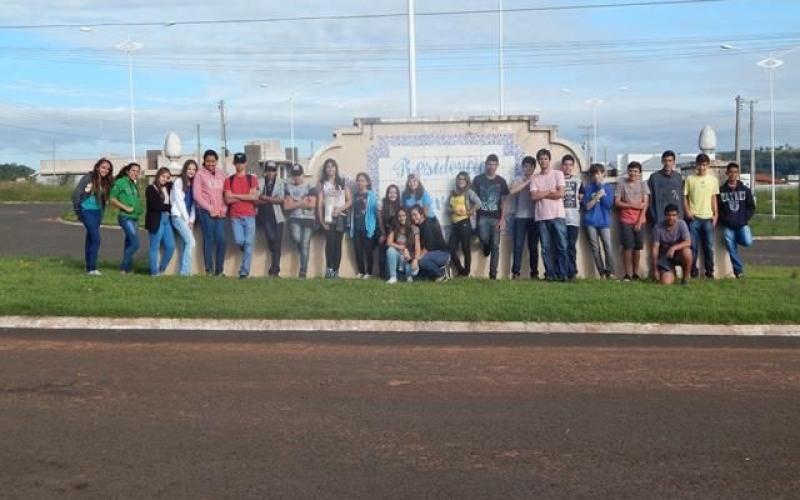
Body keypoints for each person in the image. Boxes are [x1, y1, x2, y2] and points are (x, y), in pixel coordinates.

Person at [530, 148, 568, 281]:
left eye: (545, 158)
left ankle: (563, 274)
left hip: (557, 215)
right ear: (538, 161)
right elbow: (534, 196)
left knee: (562, 246)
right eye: (541, 159)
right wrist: (549, 191)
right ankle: (550, 274)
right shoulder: (535, 178)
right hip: (541, 217)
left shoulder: (558, 174)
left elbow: (560, 194)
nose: (543, 161)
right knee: (545, 248)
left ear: (549, 160)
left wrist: (542, 193)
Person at [72, 158, 113, 275]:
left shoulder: (106, 181)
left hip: (98, 212)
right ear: (97, 167)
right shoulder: (88, 177)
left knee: (90, 238)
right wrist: (77, 210)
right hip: (86, 210)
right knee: (96, 238)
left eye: (108, 169)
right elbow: (77, 193)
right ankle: (93, 268)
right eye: (103, 167)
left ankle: (88, 267)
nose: (105, 170)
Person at [472, 154, 510, 280]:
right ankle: (486, 246)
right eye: (489, 164)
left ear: (497, 166)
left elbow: (504, 201)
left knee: (495, 245)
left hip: (496, 217)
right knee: (483, 238)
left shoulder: (501, 181)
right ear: (486, 165)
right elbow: (473, 200)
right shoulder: (478, 180)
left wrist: (503, 219)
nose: (491, 167)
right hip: (482, 216)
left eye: (494, 164)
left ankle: (493, 274)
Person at [224, 152, 259, 279]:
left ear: (246, 163)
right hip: (235, 216)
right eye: (237, 162)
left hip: (249, 215)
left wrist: (235, 195)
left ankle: (244, 271)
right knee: (240, 241)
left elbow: (254, 196)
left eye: (242, 162)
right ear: (234, 164)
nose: (240, 165)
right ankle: (247, 256)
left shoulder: (252, 179)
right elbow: (227, 200)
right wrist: (246, 197)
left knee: (249, 243)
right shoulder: (229, 180)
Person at [718, 162, 756, 279]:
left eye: (735, 172)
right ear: (727, 173)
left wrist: (744, 218)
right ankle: (738, 271)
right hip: (728, 226)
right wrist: (725, 220)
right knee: (732, 249)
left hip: (741, 224)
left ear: (738, 174)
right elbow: (718, 208)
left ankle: (737, 238)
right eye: (731, 172)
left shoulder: (745, 190)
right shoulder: (722, 191)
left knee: (748, 241)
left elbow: (751, 207)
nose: (733, 174)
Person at [684, 153, 719, 279]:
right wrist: (687, 211)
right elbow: (685, 197)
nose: (702, 167)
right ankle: (693, 271)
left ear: (708, 165)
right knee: (693, 247)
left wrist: (716, 215)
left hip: (708, 218)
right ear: (696, 165)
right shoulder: (689, 179)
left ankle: (709, 272)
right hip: (694, 218)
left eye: (704, 165)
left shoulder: (713, 180)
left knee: (708, 247)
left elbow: (713, 198)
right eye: (700, 165)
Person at [193, 149, 227, 276]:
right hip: (205, 211)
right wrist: (210, 209)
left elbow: (226, 193)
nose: (210, 164)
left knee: (222, 239)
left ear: (217, 161)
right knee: (209, 238)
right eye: (208, 161)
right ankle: (209, 270)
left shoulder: (222, 174)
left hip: (219, 212)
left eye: (213, 161)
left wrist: (223, 209)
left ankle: (219, 270)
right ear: (204, 161)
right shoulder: (199, 174)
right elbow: (197, 195)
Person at [614, 161, 650, 281]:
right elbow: (617, 202)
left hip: (640, 220)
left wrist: (639, 221)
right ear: (627, 171)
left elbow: (645, 204)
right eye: (631, 171)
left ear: (639, 173)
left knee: (637, 248)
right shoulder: (621, 184)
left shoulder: (643, 184)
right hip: (626, 220)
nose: (633, 173)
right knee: (627, 247)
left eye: (635, 171)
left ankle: (635, 273)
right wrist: (633, 205)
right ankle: (627, 274)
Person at [317, 158, 352, 278]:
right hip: (328, 218)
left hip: (340, 218)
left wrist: (339, 210)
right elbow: (320, 204)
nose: (330, 169)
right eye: (328, 167)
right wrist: (321, 220)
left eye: (332, 166)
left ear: (336, 168)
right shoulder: (322, 184)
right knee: (330, 243)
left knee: (338, 244)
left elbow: (349, 201)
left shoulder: (342, 183)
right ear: (325, 170)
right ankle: (329, 268)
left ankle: (336, 270)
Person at [582, 163, 616, 279]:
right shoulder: (588, 187)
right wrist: (596, 197)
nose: (597, 176)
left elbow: (608, 205)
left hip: (604, 222)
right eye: (595, 173)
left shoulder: (608, 188)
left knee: (608, 247)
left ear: (603, 174)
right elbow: (586, 206)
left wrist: (602, 190)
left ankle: (610, 272)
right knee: (595, 248)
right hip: (590, 221)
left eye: (599, 173)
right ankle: (601, 273)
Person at [109, 162, 143, 275]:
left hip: (135, 217)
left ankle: (127, 268)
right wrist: (125, 208)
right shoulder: (120, 182)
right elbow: (112, 198)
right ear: (127, 171)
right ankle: (123, 268)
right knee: (135, 244)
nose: (135, 173)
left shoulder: (133, 184)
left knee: (129, 243)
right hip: (125, 217)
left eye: (138, 171)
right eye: (133, 170)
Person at [284, 164, 317, 278]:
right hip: (294, 218)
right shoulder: (288, 187)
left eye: (298, 175)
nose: (296, 177)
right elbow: (287, 206)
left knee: (304, 245)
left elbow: (312, 204)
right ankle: (304, 253)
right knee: (297, 238)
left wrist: (295, 202)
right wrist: (303, 202)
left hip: (308, 218)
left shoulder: (310, 186)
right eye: (294, 175)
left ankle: (303, 271)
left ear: (303, 174)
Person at [447, 171, 481, 277]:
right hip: (455, 224)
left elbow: (479, 203)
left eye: (463, 179)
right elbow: (448, 208)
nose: (461, 181)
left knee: (465, 247)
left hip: (465, 222)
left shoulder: (469, 192)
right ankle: (461, 271)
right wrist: (453, 211)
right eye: (459, 179)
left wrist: (470, 212)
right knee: (450, 249)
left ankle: (466, 272)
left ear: (466, 181)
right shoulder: (453, 193)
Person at [508, 157, 538, 279]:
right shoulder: (518, 179)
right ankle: (516, 273)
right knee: (518, 246)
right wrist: (527, 182)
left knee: (533, 247)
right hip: (520, 217)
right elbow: (512, 191)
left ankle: (534, 273)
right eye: (526, 166)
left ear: (534, 168)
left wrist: (533, 181)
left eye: (531, 166)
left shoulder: (538, 179)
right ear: (523, 167)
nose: (528, 168)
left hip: (535, 217)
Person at [255, 161, 285, 278]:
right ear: (265, 172)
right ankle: (275, 267)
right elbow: (255, 200)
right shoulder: (260, 182)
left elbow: (280, 199)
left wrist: (265, 197)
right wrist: (272, 199)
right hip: (264, 217)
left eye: (273, 170)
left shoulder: (280, 182)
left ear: (276, 172)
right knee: (272, 239)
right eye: (268, 170)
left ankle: (274, 271)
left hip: (278, 218)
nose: (270, 173)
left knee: (277, 244)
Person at [145, 167, 176, 276]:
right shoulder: (151, 188)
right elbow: (153, 206)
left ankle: (161, 269)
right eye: (163, 176)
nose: (164, 179)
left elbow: (176, 186)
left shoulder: (167, 187)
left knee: (171, 246)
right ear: (158, 175)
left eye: (167, 177)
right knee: (155, 247)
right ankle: (154, 272)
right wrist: (168, 207)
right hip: (156, 220)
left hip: (166, 220)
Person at [652, 204, 692, 285]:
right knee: (666, 283)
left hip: (678, 255)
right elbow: (655, 249)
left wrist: (674, 248)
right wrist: (655, 270)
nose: (671, 218)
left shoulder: (681, 224)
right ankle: (672, 274)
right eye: (668, 215)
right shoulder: (658, 227)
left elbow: (688, 242)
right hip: (665, 258)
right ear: (664, 215)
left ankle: (685, 280)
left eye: (674, 215)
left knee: (687, 252)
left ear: (677, 216)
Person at [409, 205, 451, 282]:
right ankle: (431, 274)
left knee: (421, 261)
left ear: (421, 214)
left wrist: (416, 259)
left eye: (415, 215)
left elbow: (428, 248)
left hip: (442, 254)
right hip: (434, 254)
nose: (413, 217)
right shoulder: (420, 225)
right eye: (411, 215)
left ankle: (441, 274)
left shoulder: (427, 225)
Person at [350, 172, 379, 278]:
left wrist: (372, 229)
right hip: (357, 227)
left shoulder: (371, 195)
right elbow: (353, 212)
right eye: (359, 180)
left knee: (368, 251)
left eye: (363, 180)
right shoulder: (356, 195)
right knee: (358, 251)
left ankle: (369, 273)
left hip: (368, 228)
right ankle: (361, 272)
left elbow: (373, 213)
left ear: (367, 182)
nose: (360, 183)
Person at [171, 159, 197, 276]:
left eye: (194, 169)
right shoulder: (179, 182)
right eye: (189, 169)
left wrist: (191, 220)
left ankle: (184, 271)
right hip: (178, 217)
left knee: (185, 244)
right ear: (185, 169)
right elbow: (179, 202)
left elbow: (193, 205)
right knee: (191, 242)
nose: (191, 171)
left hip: (187, 219)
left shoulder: (193, 184)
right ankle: (184, 272)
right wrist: (187, 220)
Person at [560, 154, 583, 279]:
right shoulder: (557, 178)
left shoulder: (578, 180)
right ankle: (561, 271)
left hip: (573, 219)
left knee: (571, 246)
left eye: (570, 165)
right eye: (565, 164)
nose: (567, 167)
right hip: (559, 218)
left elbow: (582, 195)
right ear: (562, 166)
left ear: (573, 166)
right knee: (560, 246)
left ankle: (572, 272)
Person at [648, 150, 684, 223]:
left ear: (674, 162)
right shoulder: (654, 178)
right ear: (662, 161)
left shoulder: (678, 177)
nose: (667, 163)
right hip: (660, 218)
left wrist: (681, 216)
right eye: (665, 160)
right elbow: (650, 199)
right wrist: (654, 216)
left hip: (676, 219)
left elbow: (681, 198)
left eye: (670, 161)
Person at [385, 208, 420, 284]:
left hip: (408, 257)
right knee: (390, 250)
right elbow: (388, 242)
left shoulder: (414, 228)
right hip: (398, 256)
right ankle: (393, 277)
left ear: (407, 216)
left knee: (415, 272)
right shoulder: (394, 227)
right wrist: (403, 248)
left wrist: (415, 259)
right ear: (397, 218)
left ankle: (408, 276)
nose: (402, 218)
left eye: (404, 215)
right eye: (399, 216)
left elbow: (417, 247)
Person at [377, 184, 401, 279]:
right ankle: (382, 273)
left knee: (392, 252)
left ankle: (393, 272)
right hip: (384, 230)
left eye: (395, 193)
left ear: (398, 194)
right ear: (387, 193)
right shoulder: (382, 203)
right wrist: (383, 234)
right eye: (390, 192)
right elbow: (380, 220)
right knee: (382, 251)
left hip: (395, 232)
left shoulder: (399, 205)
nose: (393, 194)